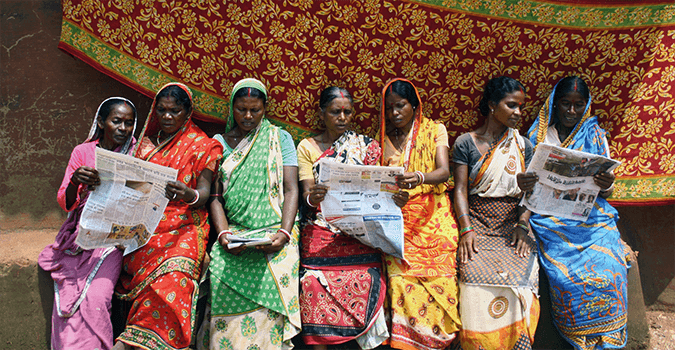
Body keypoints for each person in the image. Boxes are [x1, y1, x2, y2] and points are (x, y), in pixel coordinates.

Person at [517, 76, 630, 350]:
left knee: (609, 267)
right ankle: (582, 339)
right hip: (549, 217)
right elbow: (525, 190)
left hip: (590, 217)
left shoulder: (595, 135)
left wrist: (606, 184)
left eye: (578, 105)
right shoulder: (538, 137)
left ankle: (609, 337)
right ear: (554, 105)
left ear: (586, 106)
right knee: (565, 275)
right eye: (565, 104)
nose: (571, 111)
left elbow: (607, 192)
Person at [113, 83, 223, 350]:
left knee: (173, 278)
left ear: (187, 113)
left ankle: (133, 343)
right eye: (161, 110)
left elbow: (204, 196)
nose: (167, 116)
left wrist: (187, 193)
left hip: (184, 226)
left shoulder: (201, 146)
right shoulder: (145, 146)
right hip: (145, 226)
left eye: (175, 111)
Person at [297, 86, 408, 350]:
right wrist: (315, 196)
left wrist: (396, 199)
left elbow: (378, 195)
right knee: (311, 283)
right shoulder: (307, 147)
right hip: (321, 232)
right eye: (336, 112)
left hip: (359, 234)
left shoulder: (367, 147)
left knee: (370, 277)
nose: (342, 118)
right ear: (322, 113)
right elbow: (306, 196)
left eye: (347, 112)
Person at [198, 78, 301, 350]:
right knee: (218, 266)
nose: (247, 116)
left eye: (254, 110)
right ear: (232, 108)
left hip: (274, 232)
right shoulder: (218, 143)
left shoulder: (280, 139)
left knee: (281, 267)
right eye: (242, 109)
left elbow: (291, 191)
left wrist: (284, 232)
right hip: (234, 233)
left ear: (265, 109)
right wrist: (223, 234)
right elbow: (215, 198)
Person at [38, 97, 137, 350]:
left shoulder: (137, 153)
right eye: (116, 121)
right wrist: (76, 181)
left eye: (129, 123)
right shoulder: (82, 152)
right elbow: (65, 202)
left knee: (97, 296)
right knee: (69, 301)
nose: (123, 129)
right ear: (102, 123)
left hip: (114, 241)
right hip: (81, 237)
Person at [452, 76, 539, 350]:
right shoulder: (466, 143)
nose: (518, 113)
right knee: (471, 276)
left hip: (512, 225)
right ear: (492, 105)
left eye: (521, 107)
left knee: (522, 280)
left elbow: (531, 195)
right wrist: (466, 230)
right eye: (511, 105)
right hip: (476, 222)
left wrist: (523, 225)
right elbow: (460, 191)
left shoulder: (524, 146)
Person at [379, 78, 461, 350]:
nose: (394, 113)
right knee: (399, 281)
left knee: (443, 281)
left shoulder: (435, 130)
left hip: (432, 214)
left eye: (400, 106)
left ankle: (434, 342)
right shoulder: (382, 138)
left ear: (414, 105)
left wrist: (422, 177)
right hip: (398, 219)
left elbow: (444, 171)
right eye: (389, 108)